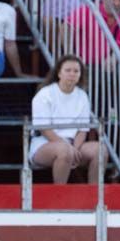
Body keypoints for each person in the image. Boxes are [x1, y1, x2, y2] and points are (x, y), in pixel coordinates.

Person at [28, 54, 98, 184]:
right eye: (68, 70)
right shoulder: (45, 94)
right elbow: (44, 130)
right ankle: (59, 195)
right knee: (64, 151)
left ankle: (94, 196)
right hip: (44, 145)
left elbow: (82, 130)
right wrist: (68, 148)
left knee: (100, 149)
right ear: (59, 73)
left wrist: (75, 149)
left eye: (76, 71)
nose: (72, 74)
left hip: (73, 145)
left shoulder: (82, 96)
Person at [67, 0, 120, 83]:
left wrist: (114, 58)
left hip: (108, 66)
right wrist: (71, 54)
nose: (117, 3)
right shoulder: (87, 11)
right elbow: (66, 28)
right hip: (84, 64)